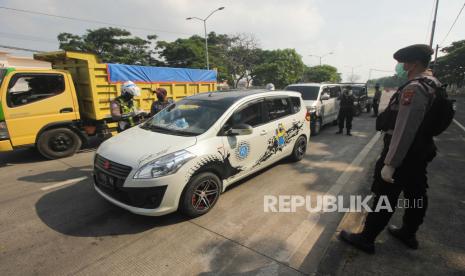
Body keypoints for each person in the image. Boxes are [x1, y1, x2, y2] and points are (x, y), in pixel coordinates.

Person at [339, 44, 439, 254]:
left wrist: (390, 164)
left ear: (412, 63)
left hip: (404, 154)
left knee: (385, 197)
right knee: (416, 193)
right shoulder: (434, 84)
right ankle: (408, 233)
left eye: (403, 63)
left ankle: (367, 238)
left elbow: (404, 129)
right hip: (420, 151)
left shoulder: (414, 88)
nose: (401, 67)